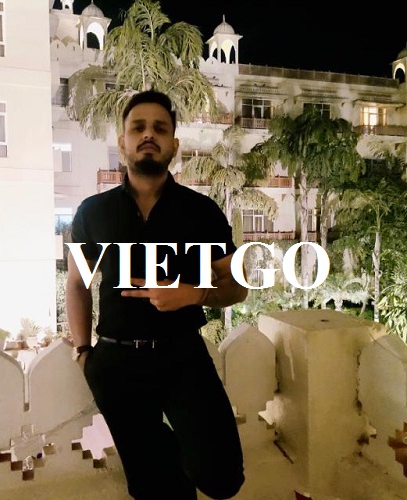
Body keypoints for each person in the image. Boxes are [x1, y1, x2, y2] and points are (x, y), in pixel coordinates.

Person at [66, 90, 248, 500]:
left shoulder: (201, 212)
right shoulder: (93, 212)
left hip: (182, 356)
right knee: (153, 489)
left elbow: (236, 286)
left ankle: (179, 462)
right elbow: (77, 284)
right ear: (123, 142)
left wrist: (194, 295)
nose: (149, 134)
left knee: (221, 477)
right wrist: (83, 351)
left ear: (174, 145)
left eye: (160, 128)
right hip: (116, 363)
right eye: (139, 127)